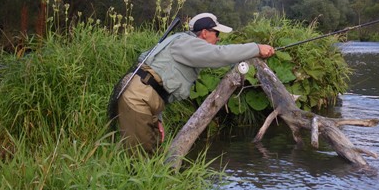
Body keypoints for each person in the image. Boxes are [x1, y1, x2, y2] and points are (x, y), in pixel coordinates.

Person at [117, 12, 275, 152]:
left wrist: (157, 118)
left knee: (151, 152)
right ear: (205, 32)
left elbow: (157, 82)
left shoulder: (183, 42)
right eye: (216, 33)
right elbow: (220, 54)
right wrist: (256, 48)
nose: (218, 38)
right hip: (138, 101)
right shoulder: (187, 43)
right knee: (140, 157)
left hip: (144, 100)